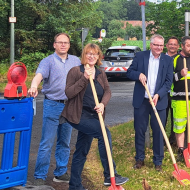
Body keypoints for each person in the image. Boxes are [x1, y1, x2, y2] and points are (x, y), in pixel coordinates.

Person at [61, 43, 129, 190]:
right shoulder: (75, 71)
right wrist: (84, 78)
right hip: (79, 115)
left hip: (94, 115)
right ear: (84, 55)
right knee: (104, 134)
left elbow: (108, 91)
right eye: (88, 53)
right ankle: (109, 175)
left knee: (82, 150)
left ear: (99, 56)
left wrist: (103, 104)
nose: (91, 56)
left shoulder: (100, 73)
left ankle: (74, 186)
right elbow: (69, 93)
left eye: (95, 54)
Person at [27, 33, 81, 186]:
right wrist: (33, 86)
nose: (63, 45)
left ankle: (61, 172)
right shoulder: (48, 61)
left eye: (66, 42)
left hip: (70, 106)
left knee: (64, 142)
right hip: (52, 105)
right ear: (54, 45)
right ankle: (40, 176)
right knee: (47, 142)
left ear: (69, 45)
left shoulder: (76, 61)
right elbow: (39, 76)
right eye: (60, 42)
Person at [127, 34, 173, 172]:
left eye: (161, 45)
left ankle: (158, 161)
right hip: (142, 100)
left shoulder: (167, 60)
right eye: (156, 45)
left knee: (158, 131)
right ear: (151, 45)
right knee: (140, 130)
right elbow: (129, 72)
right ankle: (139, 159)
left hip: (158, 102)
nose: (159, 48)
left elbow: (168, 82)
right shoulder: (141, 56)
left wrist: (159, 94)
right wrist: (138, 75)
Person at [165, 36, 180, 147]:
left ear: (178, 46)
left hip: (176, 93)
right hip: (163, 93)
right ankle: (161, 140)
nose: (172, 46)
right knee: (162, 118)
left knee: (175, 118)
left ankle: (174, 141)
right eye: (171, 44)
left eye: (175, 44)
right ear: (167, 45)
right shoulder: (161, 57)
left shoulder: (181, 59)